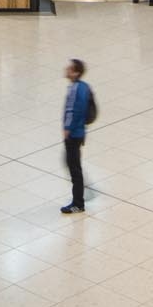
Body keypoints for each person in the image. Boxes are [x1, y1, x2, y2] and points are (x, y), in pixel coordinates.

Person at [61, 60, 91, 214]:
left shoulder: (76, 89)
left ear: (75, 72)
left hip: (74, 134)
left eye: (69, 68)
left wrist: (68, 129)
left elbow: (75, 111)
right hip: (79, 133)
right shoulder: (83, 87)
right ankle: (78, 200)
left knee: (74, 168)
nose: (66, 69)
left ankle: (78, 203)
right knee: (72, 164)